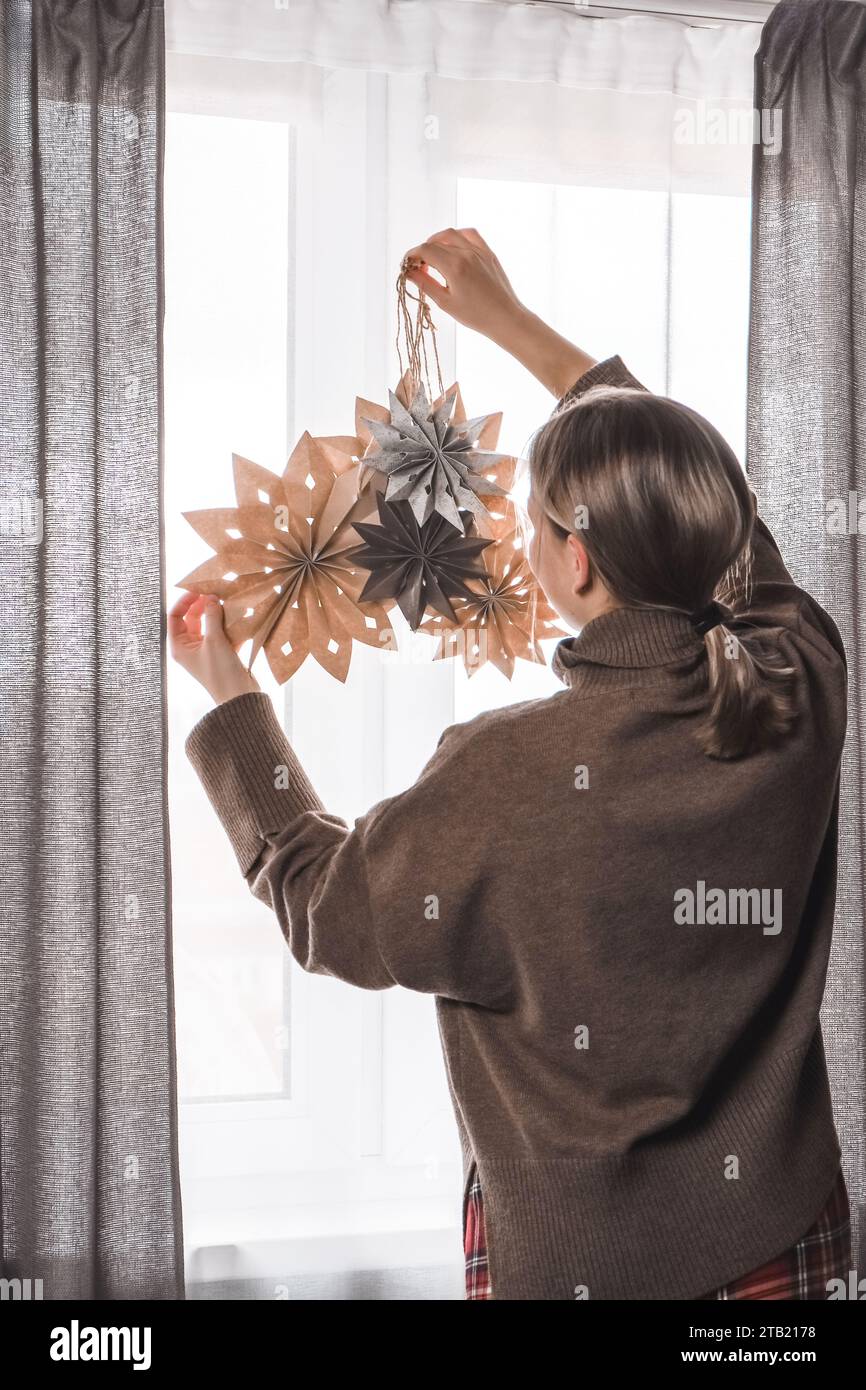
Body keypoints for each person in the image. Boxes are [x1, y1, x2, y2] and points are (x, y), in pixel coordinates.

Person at [170, 229, 850, 1301]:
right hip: (782, 1251)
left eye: (534, 523)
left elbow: (323, 903)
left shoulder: (500, 775)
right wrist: (517, 325)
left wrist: (232, 700)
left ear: (572, 558)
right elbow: (725, 522)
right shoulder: (798, 679)